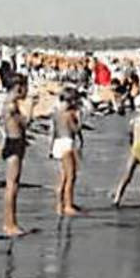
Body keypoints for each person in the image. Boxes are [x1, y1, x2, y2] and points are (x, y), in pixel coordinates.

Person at [0, 74, 31, 236]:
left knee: (13, 185)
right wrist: (32, 108)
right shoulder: (11, 106)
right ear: (19, 88)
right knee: (12, 186)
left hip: (13, 142)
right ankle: (9, 224)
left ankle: (11, 222)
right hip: (13, 143)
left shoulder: (9, 103)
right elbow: (24, 123)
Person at [112, 95, 140, 208]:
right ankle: (118, 196)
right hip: (136, 150)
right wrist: (132, 147)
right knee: (127, 175)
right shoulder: (134, 121)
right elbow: (131, 136)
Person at [50, 87, 84, 217]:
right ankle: (68, 205)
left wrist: (50, 148)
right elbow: (75, 129)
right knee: (71, 177)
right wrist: (79, 120)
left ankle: (60, 205)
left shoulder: (56, 113)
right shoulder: (69, 114)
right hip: (67, 143)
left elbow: (53, 132)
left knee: (63, 177)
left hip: (58, 143)